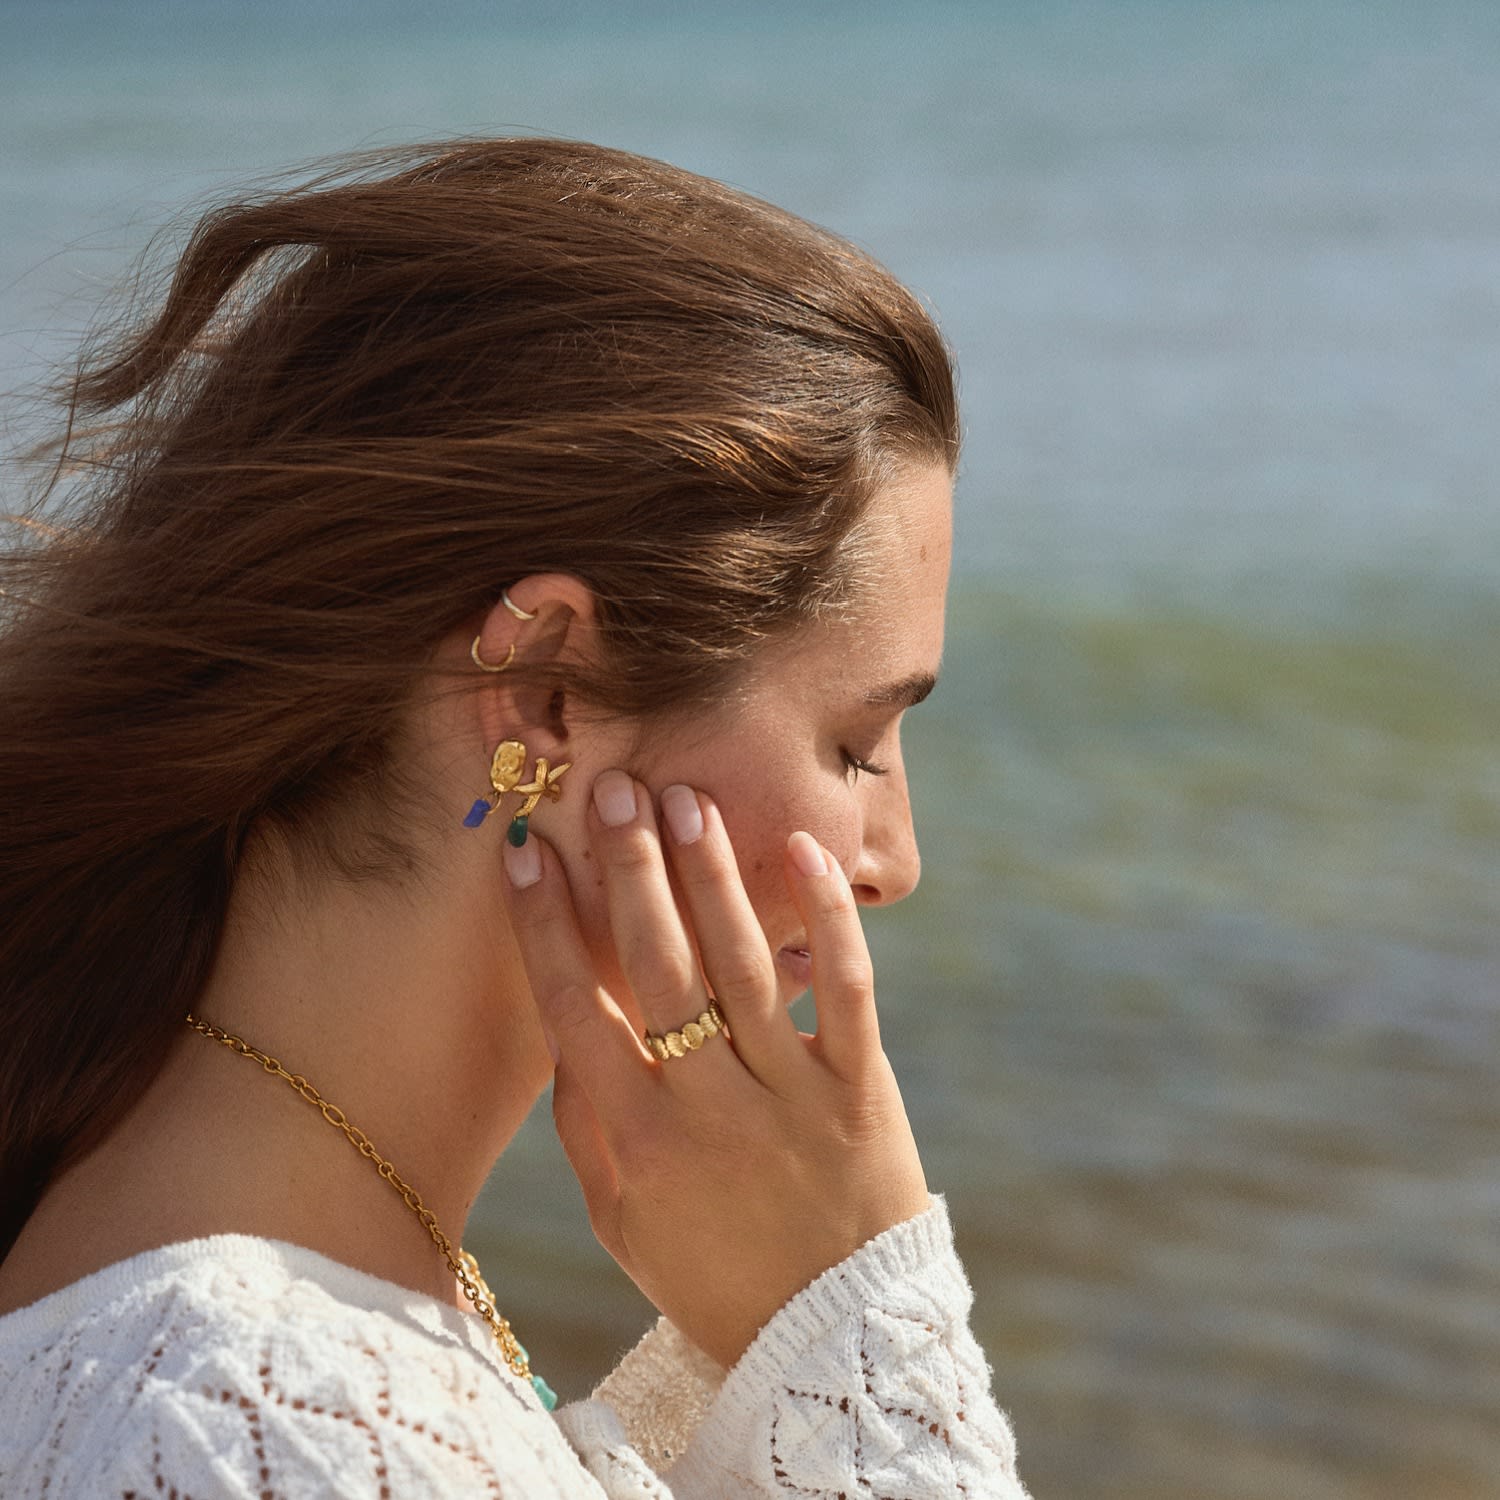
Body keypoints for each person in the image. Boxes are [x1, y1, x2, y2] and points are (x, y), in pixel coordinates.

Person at [0, 138, 1028, 1497]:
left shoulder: (240, 1290)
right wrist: (857, 1339)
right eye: (855, 744)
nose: (894, 862)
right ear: (542, 692)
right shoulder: (271, 1425)